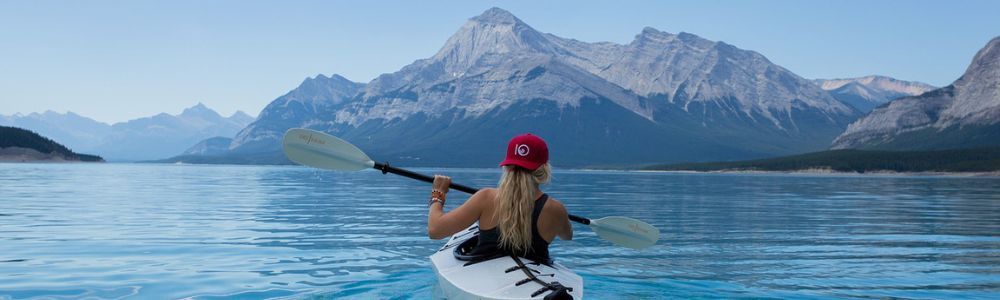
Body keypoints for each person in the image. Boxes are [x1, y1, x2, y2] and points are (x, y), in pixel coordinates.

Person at [426, 133, 572, 262]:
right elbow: (567, 236)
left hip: (484, 275)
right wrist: (560, 218)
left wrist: (437, 194)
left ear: (507, 167)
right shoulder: (556, 209)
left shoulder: (486, 197)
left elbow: (435, 230)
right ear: (544, 170)